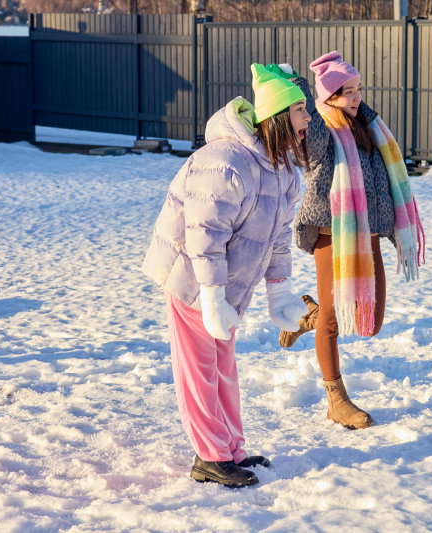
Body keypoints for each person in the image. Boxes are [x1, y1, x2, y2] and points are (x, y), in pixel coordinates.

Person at [142, 64, 311, 488]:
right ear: (276, 115)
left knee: (223, 364)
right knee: (200, 365)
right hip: (192, 274)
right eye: (301, 109)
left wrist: (280, 293)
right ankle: (210, 457)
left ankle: (231, 449)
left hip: (226, 284)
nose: (309, 118)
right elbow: (204, 235)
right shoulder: (226, 161)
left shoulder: (282, 169)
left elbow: (277, 237)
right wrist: (212, 295)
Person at [266, 53, 425, 430]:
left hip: (365, 236)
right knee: (335, 323)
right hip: (332, 236)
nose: (355, 98)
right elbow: (311, 130)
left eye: (358, 90)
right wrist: (306, 87)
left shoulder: (369, 127)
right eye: (347, 92)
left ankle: (313, 315)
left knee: (371, 323)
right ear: (328, 97)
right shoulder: (320, 129)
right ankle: (335, 399)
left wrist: (350, 96)